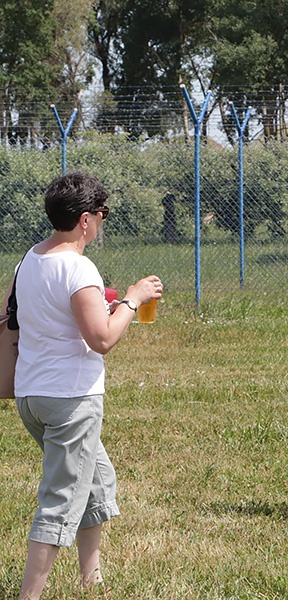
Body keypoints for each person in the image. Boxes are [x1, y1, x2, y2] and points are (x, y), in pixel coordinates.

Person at [2, 172, 162, 598]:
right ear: (86, 220)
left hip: (33, 396)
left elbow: (30, 316)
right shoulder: (79, 266)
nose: (102, 222)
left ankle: (91, 579)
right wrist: (132, 298)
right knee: (61, 500)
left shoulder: (29, 259)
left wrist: (104, 305)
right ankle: (28, 595)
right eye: (102, 214)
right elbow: (102, 339)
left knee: (96, 481)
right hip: (71, 400)